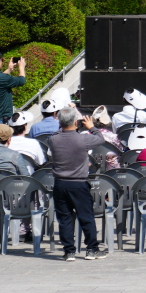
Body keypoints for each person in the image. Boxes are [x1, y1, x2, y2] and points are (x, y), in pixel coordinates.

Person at [41, 108, 112, 260]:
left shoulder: (53, 139)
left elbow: (58, 134)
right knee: (86, 217)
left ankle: (69, 251)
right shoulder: (83, 139)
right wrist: (91, 127)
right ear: (75, 121)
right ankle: (92, 249)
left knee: (64, 218)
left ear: (60, 122)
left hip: (60, 183)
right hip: (79, 183)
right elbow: (100, 139)